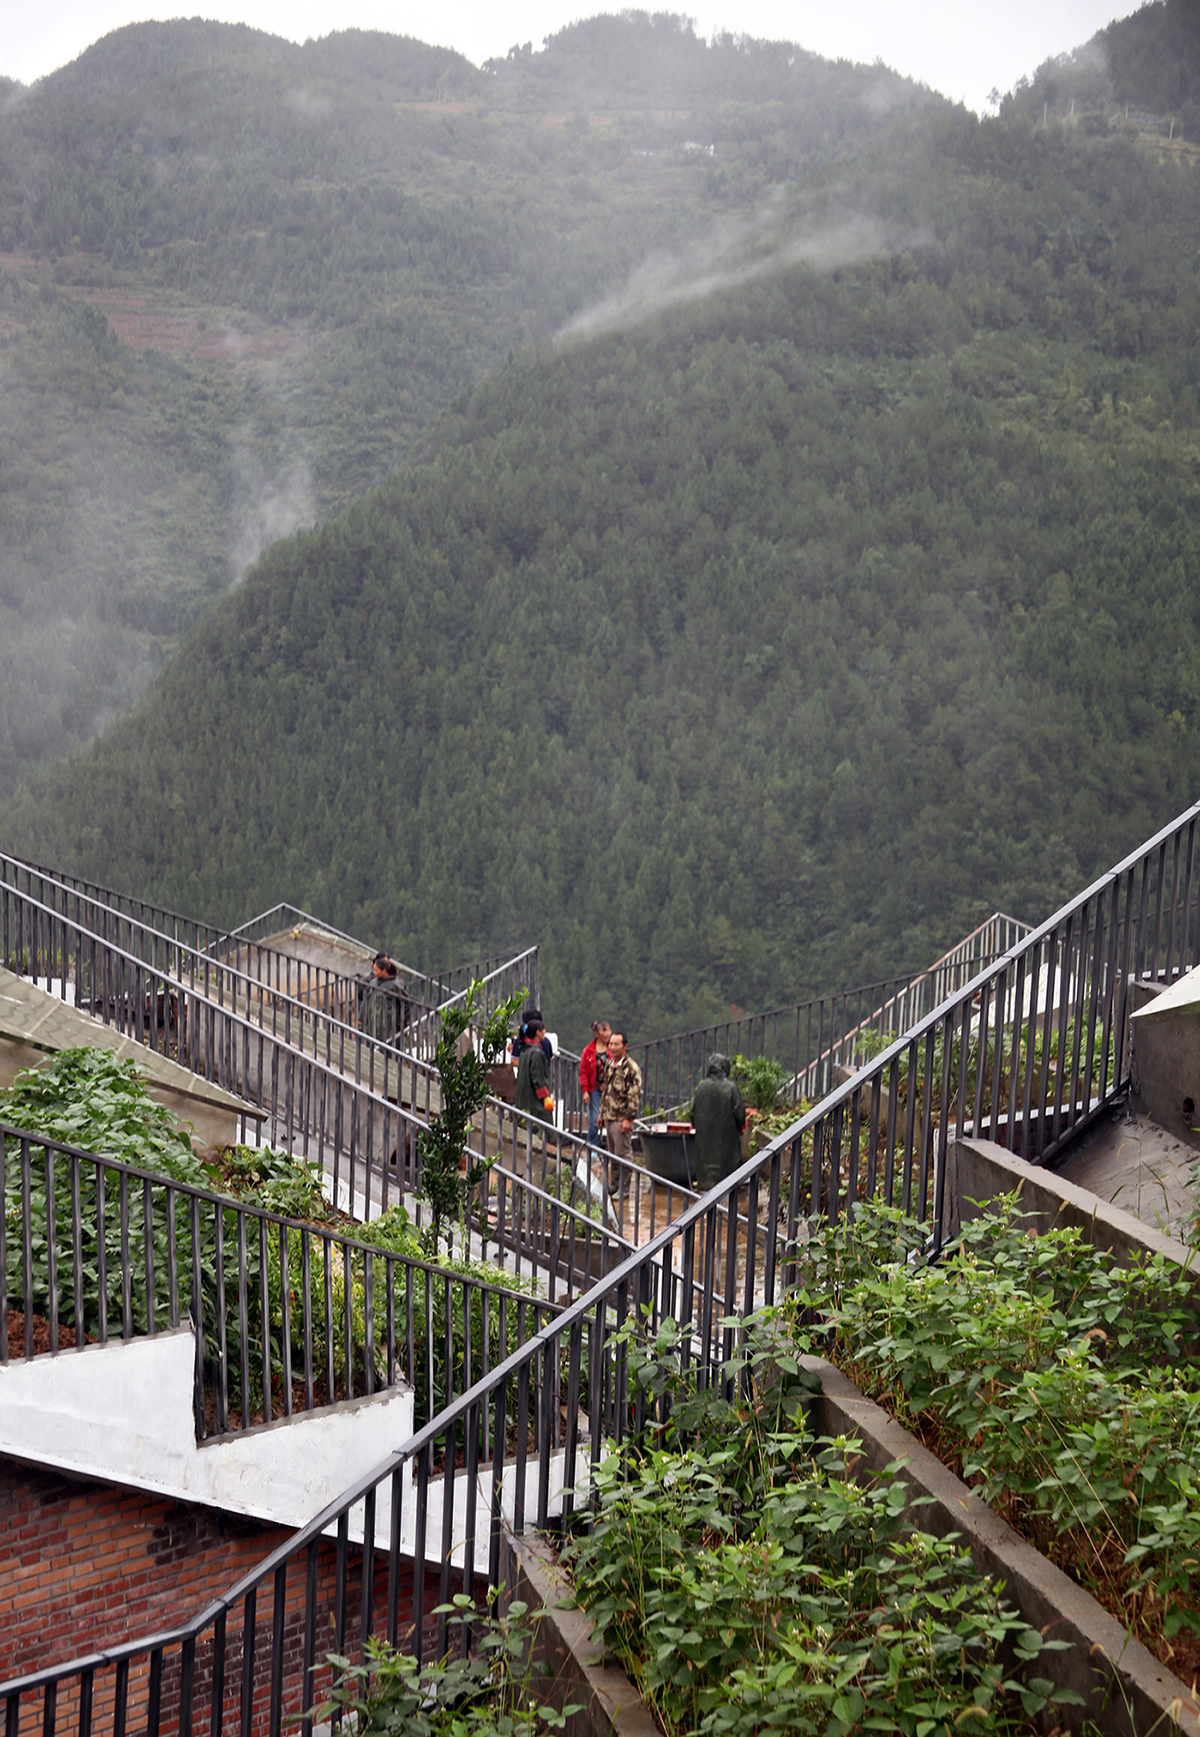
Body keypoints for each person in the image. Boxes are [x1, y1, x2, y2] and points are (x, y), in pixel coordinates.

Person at [689, 1053, 747, 1192]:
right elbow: (740, 1116)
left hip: (704, 1148)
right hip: (727, 1149)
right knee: (726, 1186)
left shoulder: (701, 1087)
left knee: (706, 1188)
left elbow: (693, 1114)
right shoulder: (731, 1088)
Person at [600, 1027, 642, 1178]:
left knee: (623, 1153)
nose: (612, 1047)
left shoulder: (631, 1068)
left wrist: (629, 1118)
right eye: (611, 1044)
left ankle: (624, 1186)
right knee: (613, 1154)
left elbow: (634, 1095)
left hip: (621, 1118)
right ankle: (615, 1184)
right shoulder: (610, 1065)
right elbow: (605, 1090)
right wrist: (601, 1114)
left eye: (616, 1044)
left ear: (625, 1046)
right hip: (609, 1116)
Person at [514, 1017, 556, 1123]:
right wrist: (546, 1097)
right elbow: (538, 1078)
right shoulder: (536, 1053)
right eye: (543, 1030)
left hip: (523, 1099)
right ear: (538, 1032)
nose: (544, 1032)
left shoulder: (525, 1050)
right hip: (534, 1102)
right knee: (544, 1131)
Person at [579, 1020, 611, 1148]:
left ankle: (611, 1149)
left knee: (611, 1120)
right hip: (595, 1089)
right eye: (604, 1030)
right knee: (594, 1120)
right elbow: (583, 1072)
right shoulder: (588, 1051)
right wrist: (585, 1091)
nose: (608, 1033)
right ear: (596, 1033)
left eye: (609, 1030)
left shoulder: (613, 1049)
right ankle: (592, 1147)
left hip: (611, 1090)